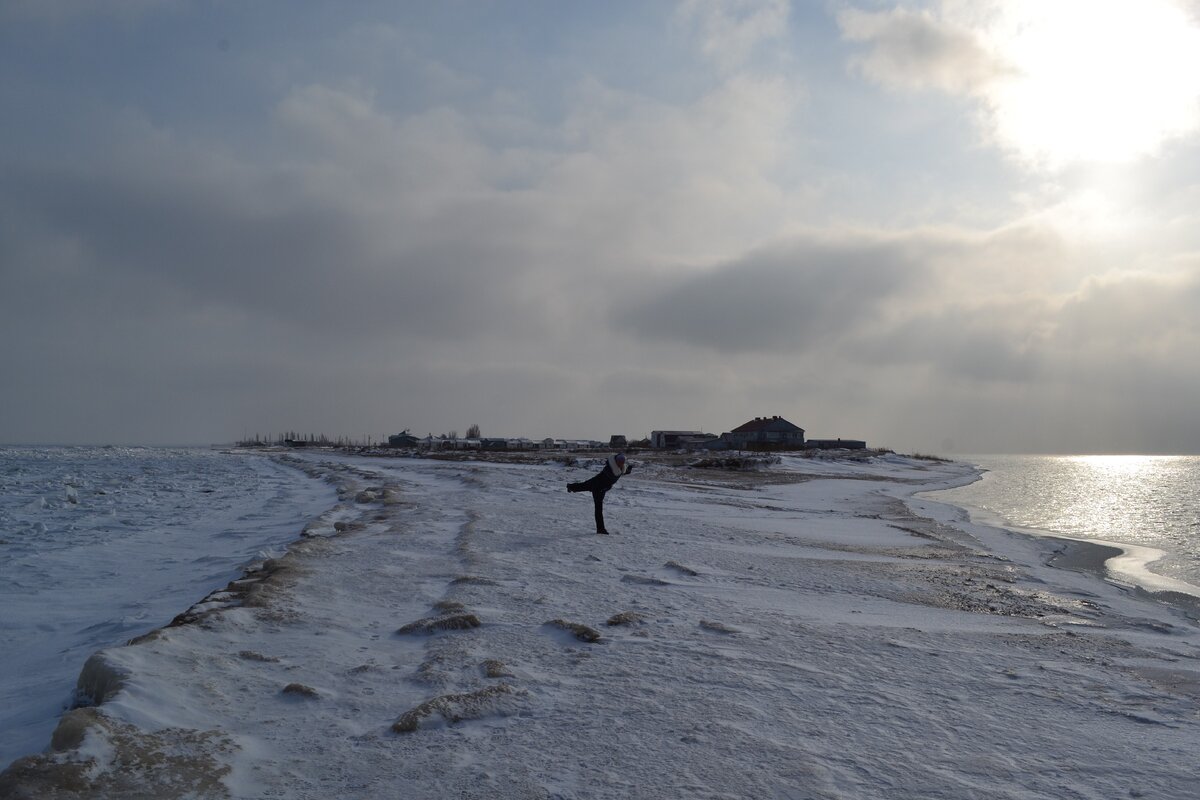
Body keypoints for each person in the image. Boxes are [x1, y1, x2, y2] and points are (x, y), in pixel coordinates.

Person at [567, 453, 632, 534]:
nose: (621, 463)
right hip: (598, 487)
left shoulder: (619, 467)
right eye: (619, 461)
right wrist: (624, 471)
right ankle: (600, 529)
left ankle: (570, 487)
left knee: (583, 486)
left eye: (622, 461)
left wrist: (628, 470)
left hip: (597, 483)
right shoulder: (610, 469)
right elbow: (615, 475)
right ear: (616, 461)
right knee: (598, 509)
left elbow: (621, 472)